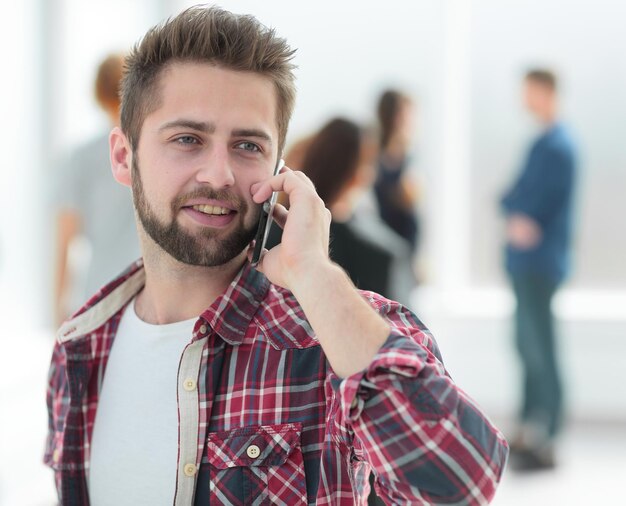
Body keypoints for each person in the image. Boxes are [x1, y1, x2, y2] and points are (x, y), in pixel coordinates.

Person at [45, 6, 508, 505]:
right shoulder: (81, 347)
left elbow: (462, 486)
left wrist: (315, 275)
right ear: (123, 156)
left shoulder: (331, 339)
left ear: (278, 170)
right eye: (187, 139)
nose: (219, 174)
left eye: (247, 145)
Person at [501, 69, 577, 471]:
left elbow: (534, 206)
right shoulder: (540, 144)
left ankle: (548, 433)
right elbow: (512, 197)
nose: (525, 98)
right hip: (524, 263)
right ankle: (530, 427)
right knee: (526, 345)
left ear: (547, 92)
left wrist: (522, 217)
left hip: (540, 264)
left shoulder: (559, 147)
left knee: (541, 348)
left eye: (530, 91)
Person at [53, 53, 140, 325]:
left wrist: (58, 305)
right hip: (150, 290)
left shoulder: (82, 158)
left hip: (99, 292)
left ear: (98, 95)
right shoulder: (155, 151)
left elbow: (65, 235)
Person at [374, 89, 421, 253]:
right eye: (406, 117)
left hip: (407, 247)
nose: (412, 123)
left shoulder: (410, 159)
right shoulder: (372, 158)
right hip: (382, 245)